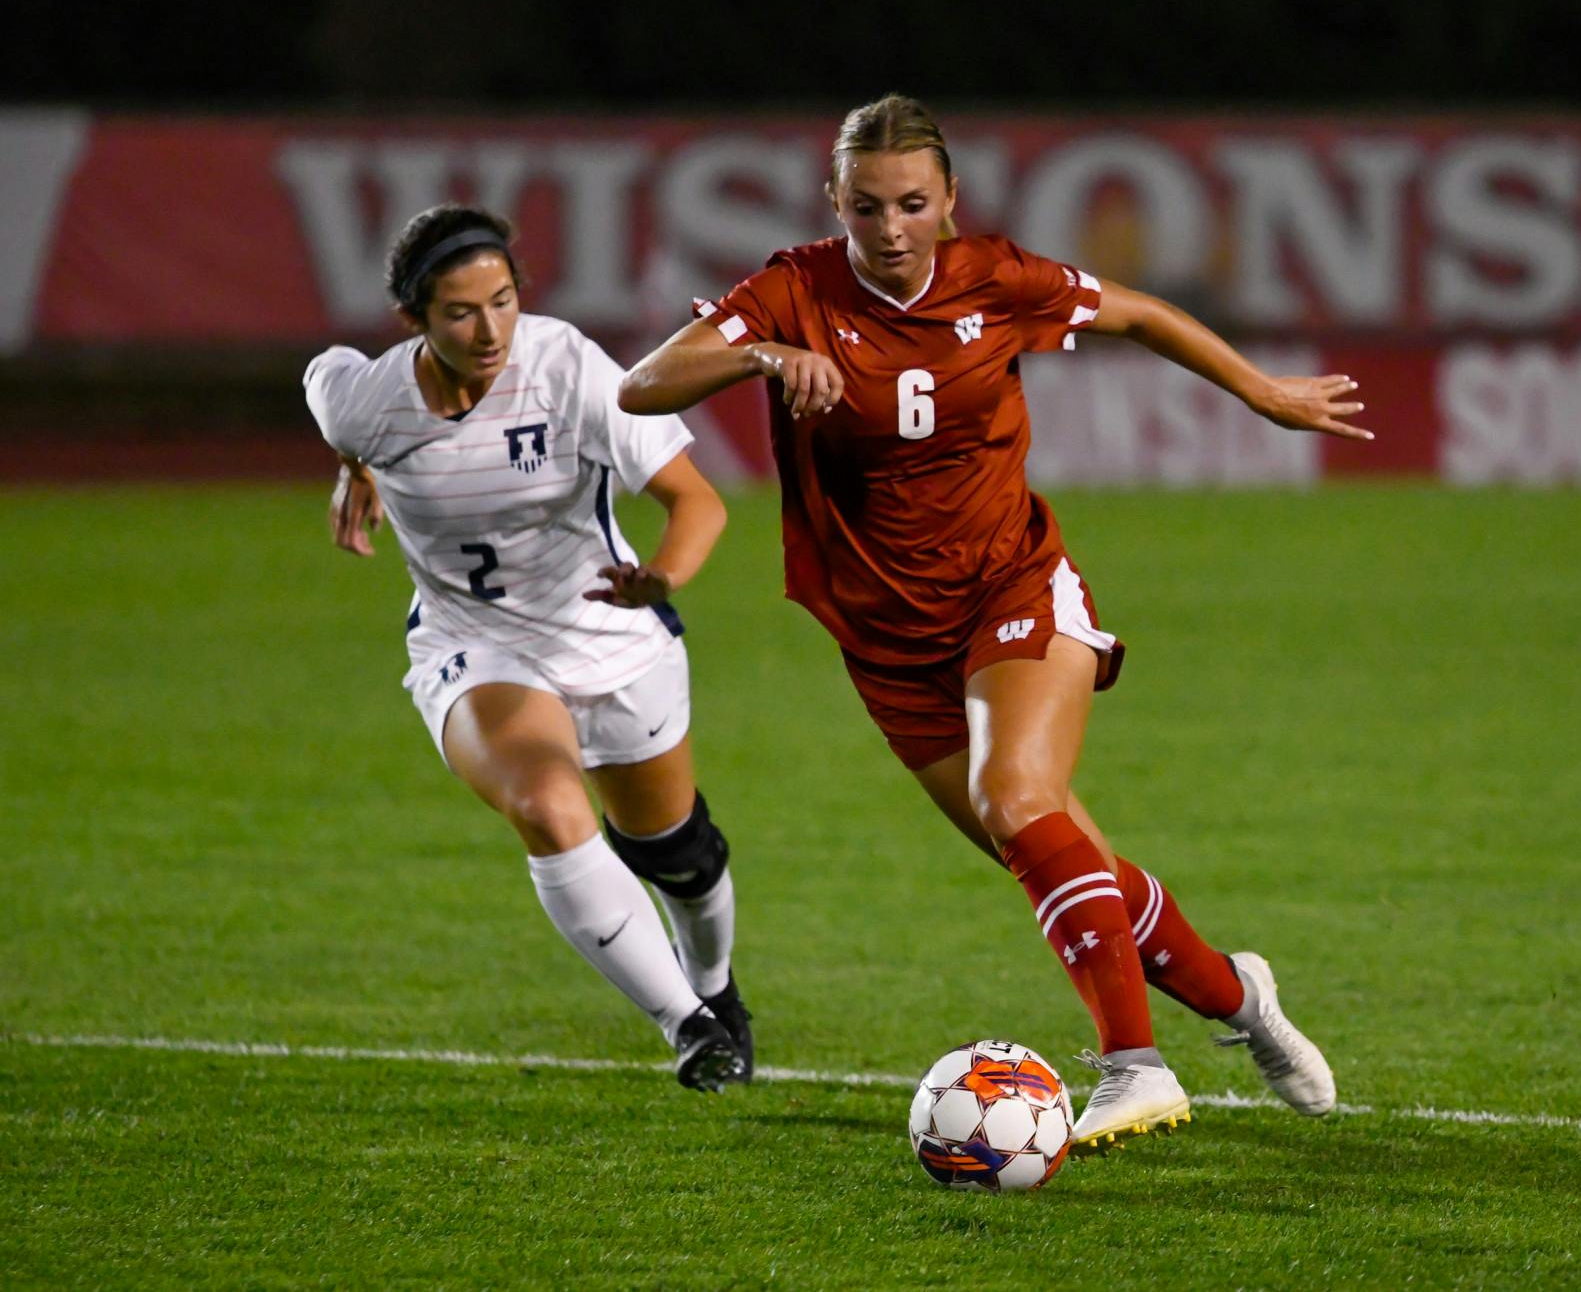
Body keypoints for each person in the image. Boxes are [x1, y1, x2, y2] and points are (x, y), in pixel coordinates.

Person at [620, 95, 1368, 1152]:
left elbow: (1141, 313)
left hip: (1011, 586)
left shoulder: (994, 277)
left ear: (949, 201)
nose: (888, 229)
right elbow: (644, 384)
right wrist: (760, 357)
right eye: (866, 206)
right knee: (1063, 857)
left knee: (1015, 796)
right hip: (884, 637)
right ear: (833, 200)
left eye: (911, 204)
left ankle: (1133, 1067)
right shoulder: (793, 289)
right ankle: (1241, 999)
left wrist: (1260, 391)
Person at [304, 204, 752, 1091]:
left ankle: (717, 992)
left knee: (679, 854)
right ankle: (690, 1026)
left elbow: (699, 502)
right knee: (549, 806)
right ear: (416, 320)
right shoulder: (369, 405)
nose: (490, 329)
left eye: (503, 300)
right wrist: (356, 462)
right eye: (461, 312)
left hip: (611, 633)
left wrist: (662, 574)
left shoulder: (565, 365)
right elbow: (327, 374)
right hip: (476, 647)